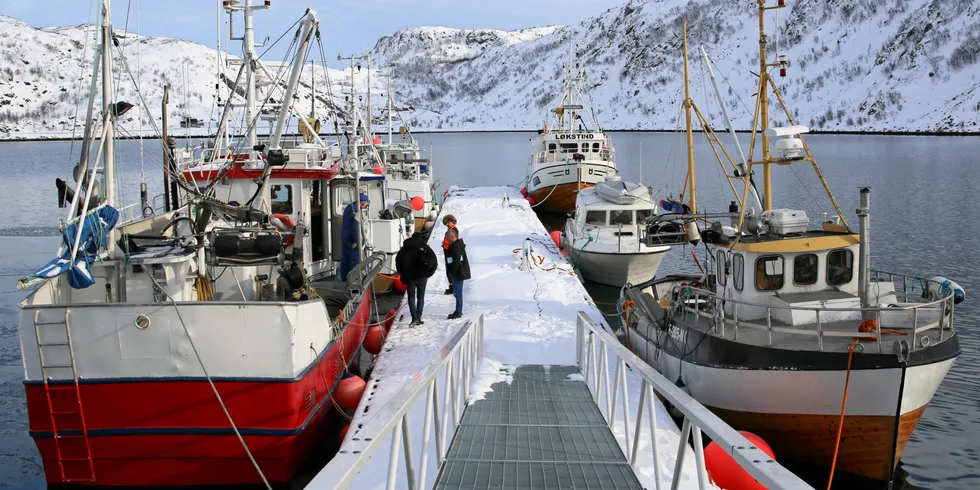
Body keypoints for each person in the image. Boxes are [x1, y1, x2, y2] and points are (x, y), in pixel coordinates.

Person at [395, 232, 438, 326]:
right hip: (422, 276)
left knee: (411, 297)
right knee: (420, 296)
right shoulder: (425, 247)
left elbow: (398, 262)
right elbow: (434, 261)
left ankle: (414, 317)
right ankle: (419, 316)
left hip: (409, 277)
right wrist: (429, 273)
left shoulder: (404, 249)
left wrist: (402, 273)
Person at [340, 193, 370, 280]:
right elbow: (355, 227)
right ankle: (354, 280)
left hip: (346, 237)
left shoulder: (349, 207)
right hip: (353, 240)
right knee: (355, 261)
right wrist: (357, 241)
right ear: (363, 202)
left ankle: (345, 279)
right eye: (366, 205)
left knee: (345, 259)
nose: (365, 207)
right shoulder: (356, 210)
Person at [444, 227, 470, 319]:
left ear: (451, 237)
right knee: (457, 292)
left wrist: (452, 272)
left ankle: (458, 311)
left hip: (458, 272)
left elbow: (456, 261)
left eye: (447, 238)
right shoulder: (458, 245)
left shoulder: (456, 246)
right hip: (459, 271)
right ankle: (458, 310)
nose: (447, 240)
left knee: (458, 293)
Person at [441, 214, 458, 295]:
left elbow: (453, 242)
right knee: (448, 270)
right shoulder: (451, 229)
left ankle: (453, 287)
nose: (447, 224)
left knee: (450, 270)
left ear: (452, 221)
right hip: (447, 252)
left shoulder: (454, 230)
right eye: (446, 223)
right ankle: (452, 286)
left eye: (448, 223)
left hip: (450, 254)